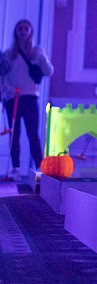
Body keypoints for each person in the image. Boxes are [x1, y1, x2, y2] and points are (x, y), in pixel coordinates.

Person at [1, 19, 53, 181]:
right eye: (20, 29)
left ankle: (40, 167)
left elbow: (49, 71)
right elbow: (3, 77)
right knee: (14, 134)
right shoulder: (9, 54)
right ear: (15, 32)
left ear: (31, 31)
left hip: (30, 99)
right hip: (13, 99)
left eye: (26, 28)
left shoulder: (36, 52)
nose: (23, 31)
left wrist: (41, 58)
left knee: (33, 134)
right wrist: (10, 90)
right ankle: (16, 168)